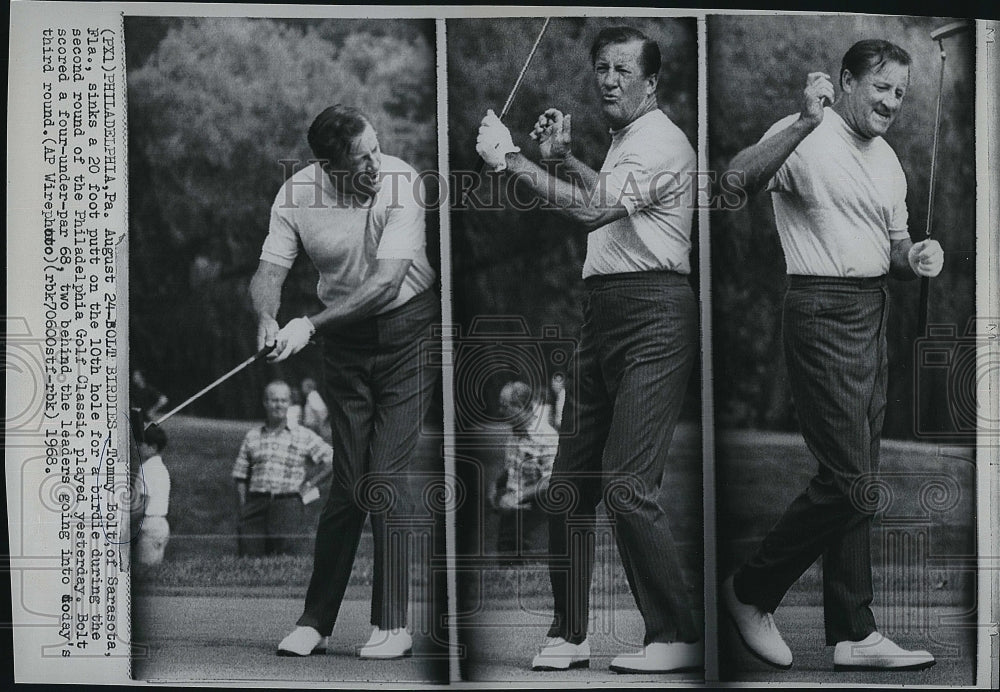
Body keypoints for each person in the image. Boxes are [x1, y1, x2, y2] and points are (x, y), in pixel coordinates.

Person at [476, 26, 701, 673]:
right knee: (569, 486)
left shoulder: (662, 141)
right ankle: (570, 633)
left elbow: (591, 214)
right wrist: (560, 159)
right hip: (602, 314)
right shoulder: (626, 140)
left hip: (655, 313)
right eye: (601, 67)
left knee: (628, 484)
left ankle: (677, 635)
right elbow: (607, 196)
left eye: (623, 70)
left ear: (651, 82)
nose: (608, 79)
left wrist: (513, 162)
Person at [722, 39, 943, 672]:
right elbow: (733, 185)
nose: (892, 102)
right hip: (818, 310)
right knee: (850, 480)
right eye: (881, 88)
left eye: (900, 93)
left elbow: (895, 251)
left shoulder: (890, 163)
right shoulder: (806, 134)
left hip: (873, 312)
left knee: (857, 478)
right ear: (846, 81)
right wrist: (801, 122)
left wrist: (916, 259)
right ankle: (749, 591)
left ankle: (854, 631)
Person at [251, 104, 439, 659]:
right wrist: (266, 317)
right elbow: (269, 272)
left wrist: (307, 325)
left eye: (377, 147)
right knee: (349, 485)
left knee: (383, 476)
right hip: (346, 346)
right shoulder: (296, 197)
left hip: (409, 333)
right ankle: (316, 620)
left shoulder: (402, 183)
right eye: (363, 157)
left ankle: (393, 624)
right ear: (330, 166)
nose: (377, 162)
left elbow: (385, 286)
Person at [232, 380, 334, 557]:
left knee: (285, 561)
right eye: (274, 400)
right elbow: (240, 476)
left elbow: (333, 461)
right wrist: (243, 509)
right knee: (248, 560)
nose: (278, 405)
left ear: (289, 403)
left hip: (288, 505)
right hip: (255, 506)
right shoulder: (252, 436)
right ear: (265, 402)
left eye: (283, 400)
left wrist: (311, 484)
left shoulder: (303, 435)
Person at [492, 381, 559, 559]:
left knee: (529, 568)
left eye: (504, 406)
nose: (501, 411)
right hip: (511, 512)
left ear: (520, 407)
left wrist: (519, 495)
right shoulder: (515, 433)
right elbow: (512, 470)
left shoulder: (546, 436)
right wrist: (496, 487)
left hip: (536, 514)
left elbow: (551, 480)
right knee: (505, 567)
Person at [133, 424, 171, 565]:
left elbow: (143, 504)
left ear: (153, 447)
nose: (138, 447)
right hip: (161, 524)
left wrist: (126, 523)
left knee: (144, 569)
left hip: (149, 525)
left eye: (141, 444)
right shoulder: (161, 468)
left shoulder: (147, 468)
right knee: (153, 569)